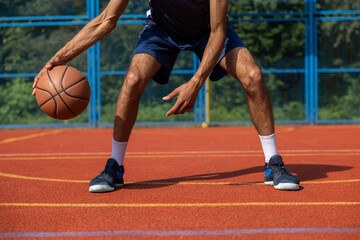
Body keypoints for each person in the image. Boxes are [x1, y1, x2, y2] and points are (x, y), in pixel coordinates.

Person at [32, 0, 300, 192]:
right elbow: (105, 20)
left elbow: (218, 31)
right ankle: (114, 167)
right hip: (161, 31)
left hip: (208, 32)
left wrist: (195, 83)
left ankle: (273, 163)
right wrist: (57, 59)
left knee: (253, 75)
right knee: (132, 80)